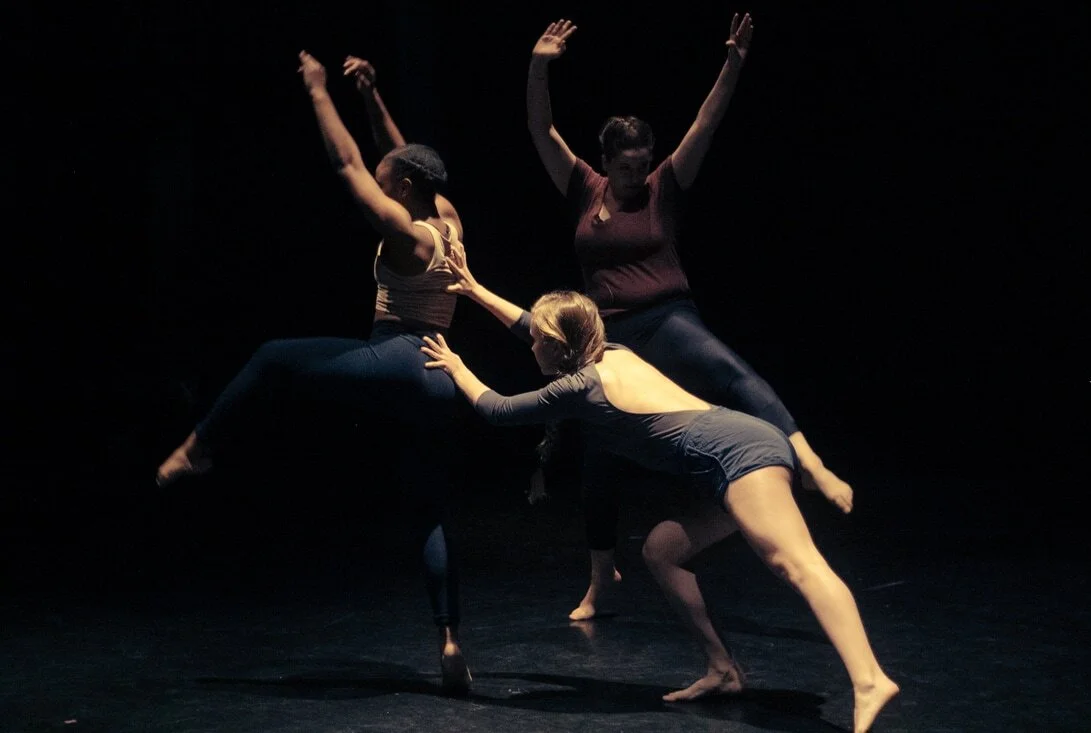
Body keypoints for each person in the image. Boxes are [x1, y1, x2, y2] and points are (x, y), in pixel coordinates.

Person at [419, 245, 898, 732]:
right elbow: (532, 325)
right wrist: (475, 290)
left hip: (740, 455)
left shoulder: (581, 387)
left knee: (796, 563)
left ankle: (869, 679)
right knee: (663, 550)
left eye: (539, 341)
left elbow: (498, 409)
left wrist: (456, 366)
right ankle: (723, 669)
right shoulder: (612, 353)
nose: (531, 345)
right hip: (734, 451)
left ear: (559, 345)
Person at [155, 50, 471, 694]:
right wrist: (371, 94)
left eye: (388, 179)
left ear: (403, 188)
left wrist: (320, 91)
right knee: (428, 509)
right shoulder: (448, 220)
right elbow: (398, 154)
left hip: (402, 358)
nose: (380, 179)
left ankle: (198, 447)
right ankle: (449, 639)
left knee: (274, 356)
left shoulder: (407, 232)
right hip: (443, 380)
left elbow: (348, 164)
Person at [526, 14, 856, 621]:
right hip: (608, 339)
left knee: (729, 370)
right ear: (606, 160)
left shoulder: (665, 187)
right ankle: (601, 580)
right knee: (600, 455)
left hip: (667, 319)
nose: (635, 174)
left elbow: (706, 123)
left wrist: (732, 64)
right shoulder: (583, 187)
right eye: (625, 165)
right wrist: (539, 66)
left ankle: (810, 462)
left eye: (641, 162)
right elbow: (540, 128)